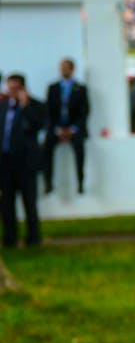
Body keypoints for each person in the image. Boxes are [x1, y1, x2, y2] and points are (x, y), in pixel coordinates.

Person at [1, 74, 47, 247]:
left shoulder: (35, 106)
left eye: (15, 88)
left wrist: (25, 105)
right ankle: (9, 238)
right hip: (6, 164)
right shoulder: (3, 107)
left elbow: (39, 125)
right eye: (9, 87)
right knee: (7, 204)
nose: (11, 91)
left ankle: (33, 238)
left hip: (26, 164)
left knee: (29, 202)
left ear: (22, 88)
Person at [43, 58, 90, 195]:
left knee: (79, 148)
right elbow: (49, 111)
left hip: (74, 128)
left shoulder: (80, 88)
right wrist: (57, 129)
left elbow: (85, 111)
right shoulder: (53, 88)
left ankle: (80, 182)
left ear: (72, 69)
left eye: (66, 67)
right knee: (46, 147)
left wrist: (73, 129)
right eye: (61, 67)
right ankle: (48, 182)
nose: (63, 70)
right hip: (57, 127)